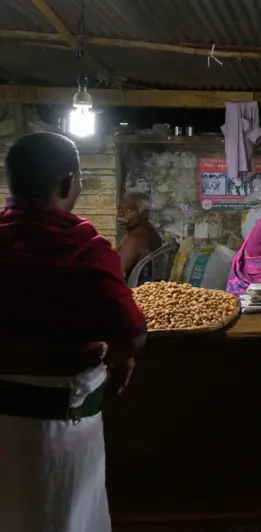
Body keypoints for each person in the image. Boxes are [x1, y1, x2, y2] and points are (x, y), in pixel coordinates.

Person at [0, 132, 147, 531]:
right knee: (64, 518)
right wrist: (120, 355)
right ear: (67, 183)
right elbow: (132, 333)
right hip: (60, 434)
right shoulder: (83, 246)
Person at [117, 190, 163, 280]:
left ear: (144, 213)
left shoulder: (133, 241)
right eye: (120, 209)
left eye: (129, 209)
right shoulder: (151, 232)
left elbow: (115, 275)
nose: (121, 214)